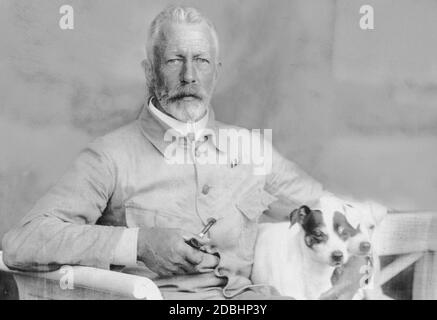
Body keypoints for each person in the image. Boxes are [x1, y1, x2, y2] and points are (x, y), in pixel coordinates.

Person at [1, 5, 379, 299]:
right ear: (150, 71)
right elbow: (23, 241)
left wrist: (355, 266)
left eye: (200, 61)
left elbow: (332, 209)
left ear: (216, 71)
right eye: (174, 60)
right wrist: (137, 244)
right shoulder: (110, 157)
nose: (189, 77)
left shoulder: (251, 149)